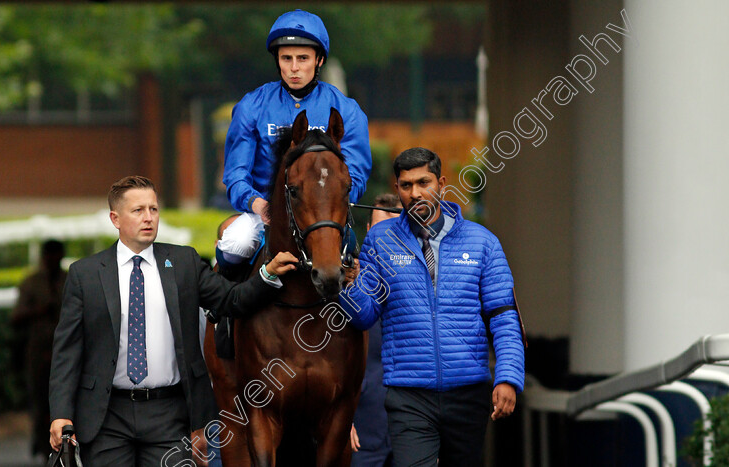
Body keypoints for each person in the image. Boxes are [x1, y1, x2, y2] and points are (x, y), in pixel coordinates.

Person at [48, 176, 298, 466]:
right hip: (106, 416)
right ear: (115, 219)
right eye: (138, 210)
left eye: (153, 209)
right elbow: (67, 351)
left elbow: (232, 300)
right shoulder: (85, 274)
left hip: (169, 414)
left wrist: (267, 274)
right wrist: (60, 413)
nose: (148, 218)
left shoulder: (184, 263)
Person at [339, 148, 526, 467]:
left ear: (440, 183)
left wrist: (508, 377)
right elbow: (364, 315)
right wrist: (343, 284)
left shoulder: (482, 242)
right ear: (397, 189)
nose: (415, 193)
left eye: (423, 182)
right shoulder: (381, 240)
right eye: (406, 185)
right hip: (408, 394)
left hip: (468, 391)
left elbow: (504, 317)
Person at [217, 9, 372, 272]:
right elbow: (235, 174)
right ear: (277, 60)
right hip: (264, 212)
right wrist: (257, 204)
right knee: (235, 244)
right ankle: (222, 309)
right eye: (286, 58)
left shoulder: (347, 110)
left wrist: (327, 206)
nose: (294, 68)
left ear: (319, 60)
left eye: (303, 58)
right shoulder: (250, 106)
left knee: (353, 259)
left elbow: (355, 174)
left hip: (323, 216)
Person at [350, 194, 401, 467]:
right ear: (369, 230)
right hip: (361, 432)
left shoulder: (428, 282)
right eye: (382, 229)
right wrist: (341, 420)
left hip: (410, 434)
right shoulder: (346, 283)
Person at [11, 239, 67, 458]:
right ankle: (44, 446)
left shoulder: (69, 280)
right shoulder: (32, 283)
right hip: (38, 352)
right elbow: (16, 318)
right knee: (40, 402)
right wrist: (39, 311)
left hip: (64, 353)